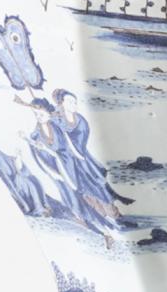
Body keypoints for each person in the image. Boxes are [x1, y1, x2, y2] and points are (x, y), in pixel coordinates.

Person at [26, 97, 116, 244]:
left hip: (72, 168)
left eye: (41, 114)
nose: (38, 117)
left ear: (48, 113)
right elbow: (40, 159)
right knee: (76, 204)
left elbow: (70, 141)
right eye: (36, 114)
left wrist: (71, 156)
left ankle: (107, 228)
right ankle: (103, 233)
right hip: (59, 175)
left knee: (88, 197)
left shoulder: (57, 127)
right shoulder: (35, 136)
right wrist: (52, 169)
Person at [53, 88, 134, 219]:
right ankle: (98, 214)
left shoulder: (81, 121)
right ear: (61, 103)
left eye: (75, 102)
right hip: (67, 161)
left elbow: (81, 142)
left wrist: (68, 138)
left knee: (97, 184)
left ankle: (113, 214)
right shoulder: (56, 119)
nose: (74, 105)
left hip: (83, 159)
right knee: (82, 188)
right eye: (70, 102)